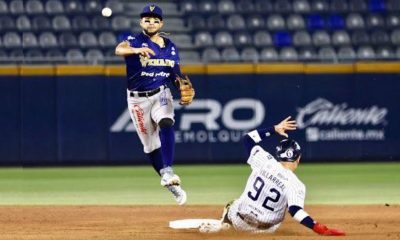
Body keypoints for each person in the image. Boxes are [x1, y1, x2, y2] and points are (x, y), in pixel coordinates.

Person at [200, 117, 345, 236]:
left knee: (232, 204)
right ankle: (228, 228)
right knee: (282, 209)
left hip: (238, 220)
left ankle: (225, 225)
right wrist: (319, 228)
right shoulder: (296, 184)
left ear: (279, 154)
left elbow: (247, 139)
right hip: (262, 232)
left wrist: (274, 129)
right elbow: (295, 211)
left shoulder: (264, 159)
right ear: (298, 158)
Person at [115, 4, 194, 205]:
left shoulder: (171, 46)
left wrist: (180, 85)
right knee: (150, 147)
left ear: (162, 23)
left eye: (155, 20)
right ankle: (170, 184)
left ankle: (168, 170)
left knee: (166, 121)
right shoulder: (135, 40)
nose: (151, 22)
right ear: (141, 22)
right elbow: (119, 49)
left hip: (161, 94)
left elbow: (175, 73)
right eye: (147, 19)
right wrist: (135, 50)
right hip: (137, 100)